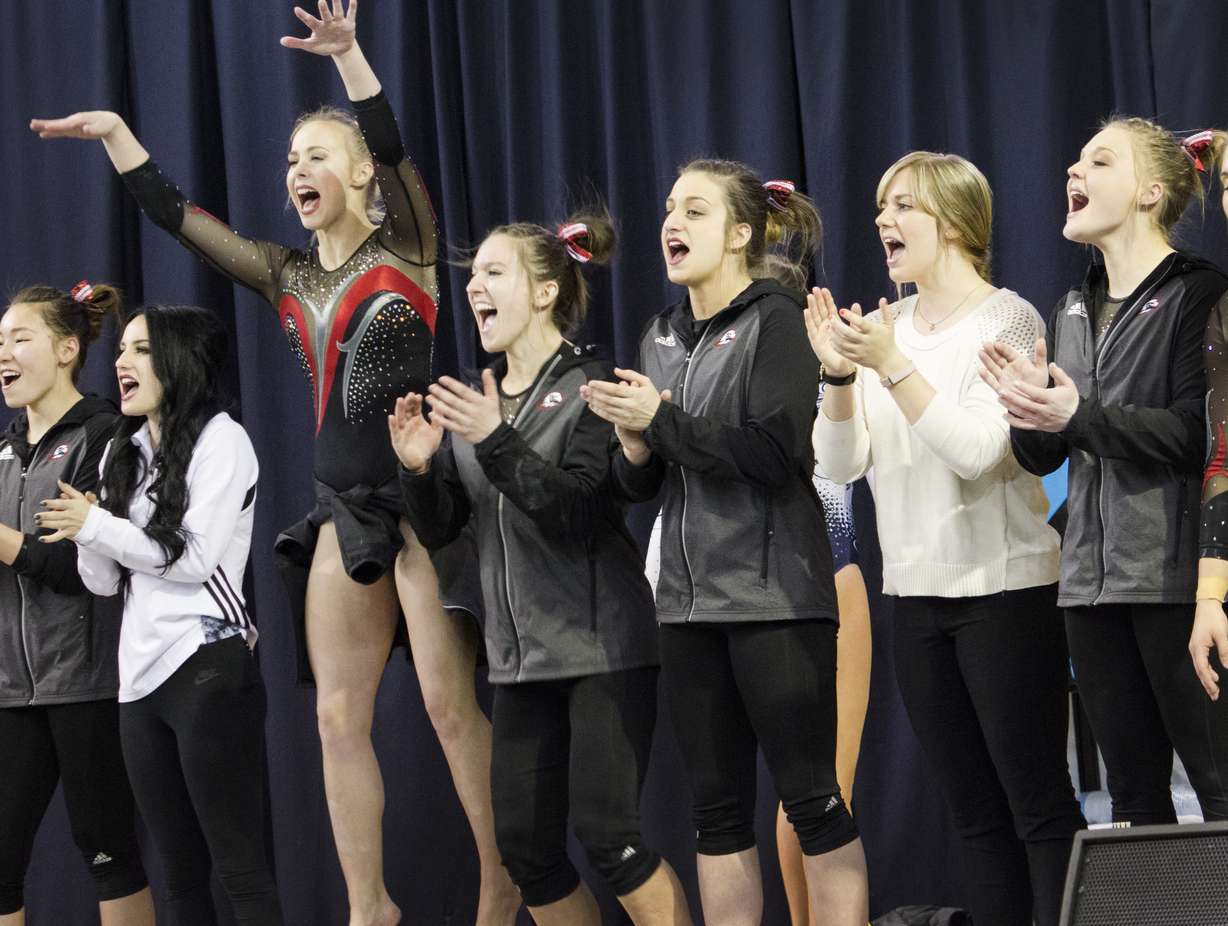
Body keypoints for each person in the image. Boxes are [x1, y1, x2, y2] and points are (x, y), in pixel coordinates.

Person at [31, 4, 515, 922]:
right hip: (341, 503)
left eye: (318, 155)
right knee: (337, 718)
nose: (299, 170)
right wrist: (120, 138)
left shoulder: (407, 247)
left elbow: (391, 135)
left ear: (363, 174)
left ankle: (499, 883)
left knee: (454, 713)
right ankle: (370, 907)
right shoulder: (289, 275)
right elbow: (180, 219)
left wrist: (352, 62)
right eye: (291, 159)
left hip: (423, 497)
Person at [584, 160, 868, 926]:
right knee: (716, 815)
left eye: (696, 211)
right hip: (684, 606)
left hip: (776, 596)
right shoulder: (659, 335)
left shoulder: (776, 320)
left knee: (811, 800)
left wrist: (662, 424)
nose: (672, 223)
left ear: (741, 232)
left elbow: (778, 454)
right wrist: (636, 448)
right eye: (671, 208)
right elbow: (646, 484)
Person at [394, 214, 691, 925]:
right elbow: (445, 533)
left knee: (612, 843)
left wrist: (494, 441)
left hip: (600, 650)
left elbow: (579, 512)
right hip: (518, 665)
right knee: (525, 854)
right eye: (473, 277)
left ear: (546, 290)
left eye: (495, 272)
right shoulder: (481, 399)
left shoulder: (590, 385)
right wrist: (416, 472)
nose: (476, 287)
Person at [813, 151, 1083, 926]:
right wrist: (837, 377)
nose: (881, 222)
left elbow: (975, 452)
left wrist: (890, 365)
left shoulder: (1008, 317)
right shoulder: (882, 329)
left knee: (1035, 804)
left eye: (901, 206)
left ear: (955, 222)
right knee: (972, 814)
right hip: (916, 601)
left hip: (1005, 594)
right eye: (879, 206)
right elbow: (839, 465)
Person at [982, 119, 1228, 826]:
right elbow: (1047, 456)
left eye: (1099, 160)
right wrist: (1027, 414)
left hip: (1175, 583)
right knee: (1132, 797)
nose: (1072, 171)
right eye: (1075, 160)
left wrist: (1074, 415)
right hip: (1088, 590)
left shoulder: (1198, 291)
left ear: (1151, 190)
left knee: (1216, 789)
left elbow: (1196, 436)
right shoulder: (1070, 305)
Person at [40, 303, 284, 924]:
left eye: (140, 350)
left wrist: (99, 524)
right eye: (120, 349)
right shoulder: (124, 450)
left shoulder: (222, 438)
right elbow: (102, 582)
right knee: (176, 873)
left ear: (180, 361)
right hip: (138, 683)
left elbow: (195, 561)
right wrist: (88, 533)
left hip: (208, 667)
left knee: (240, 868)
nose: (120, 362)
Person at [0, 281, 152, 926]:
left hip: (89, 684)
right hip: (11, 691)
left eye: (19, 338)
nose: (4, 351)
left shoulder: (104, 435)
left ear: (67, 349)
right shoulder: (3, 452)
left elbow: (77, 567)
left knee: (108, 851)